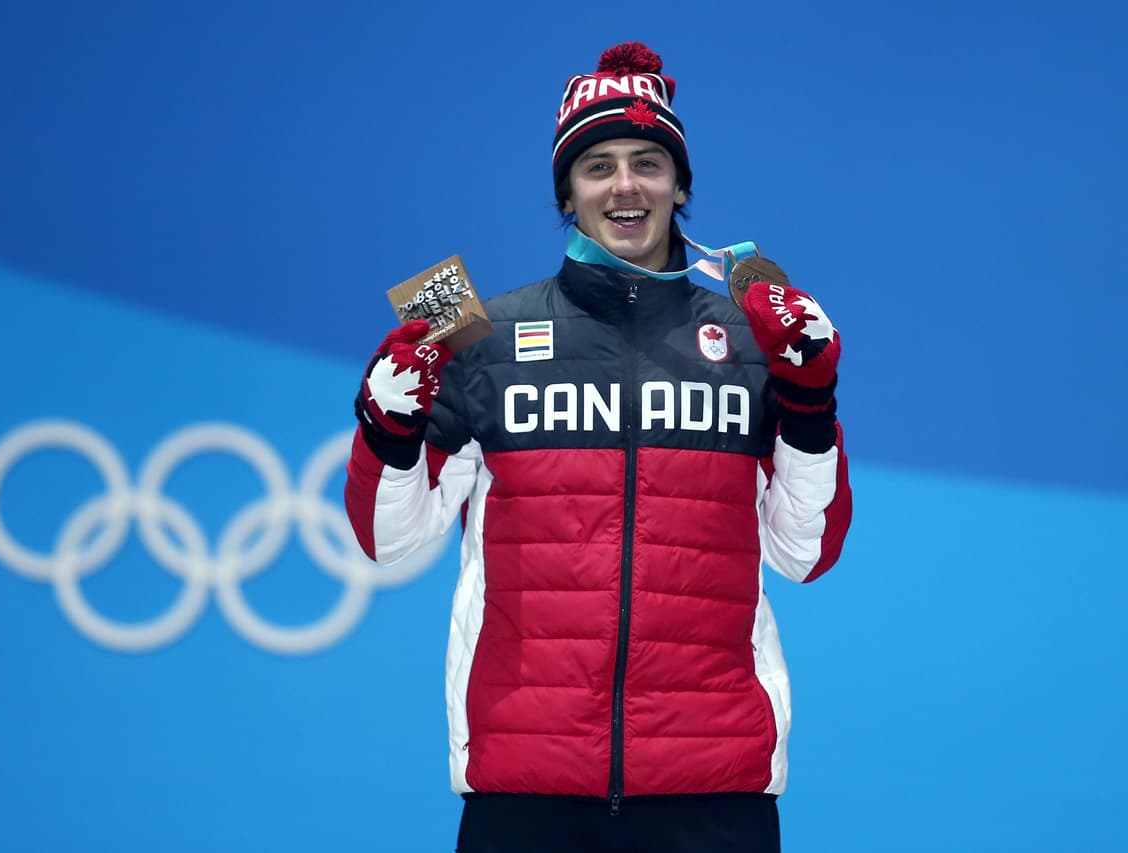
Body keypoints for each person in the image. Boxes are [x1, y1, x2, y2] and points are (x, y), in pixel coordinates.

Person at [345, 40, 852, 853]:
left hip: (713, 789)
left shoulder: (753, 336)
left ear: (680, 186)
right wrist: (384, 421)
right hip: (525, 792)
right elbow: (387, 540)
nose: (625, 186)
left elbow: (809, 550)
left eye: (649, 162)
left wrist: (810, 402)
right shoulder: (477, 328)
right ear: (566, 194)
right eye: (597, 165)